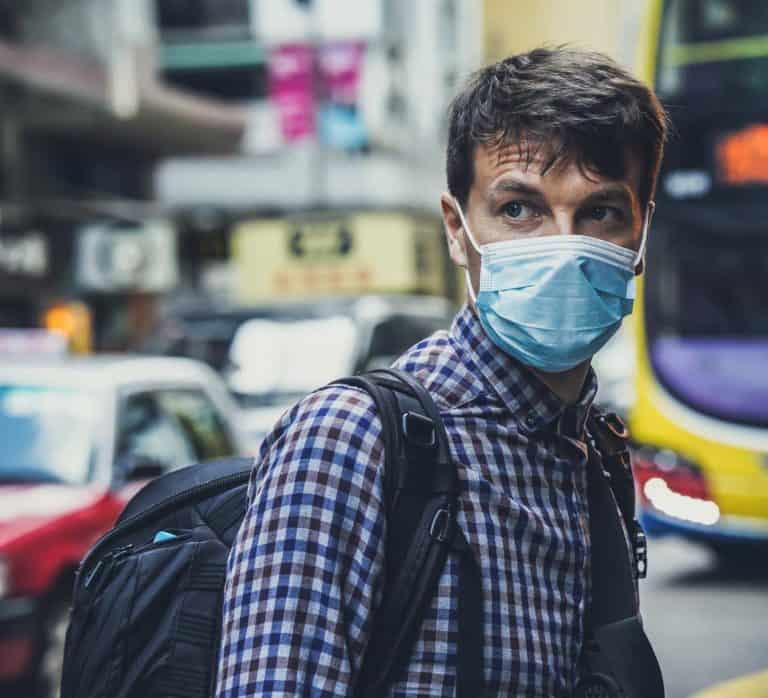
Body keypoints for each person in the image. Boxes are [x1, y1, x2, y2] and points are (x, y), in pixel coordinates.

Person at [215, 46, 669, 697]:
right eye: (519, 210)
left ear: (640, 235)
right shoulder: (350, 440)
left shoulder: (592, 451)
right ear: (457, 230)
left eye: (600, 212)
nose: (562, 248)